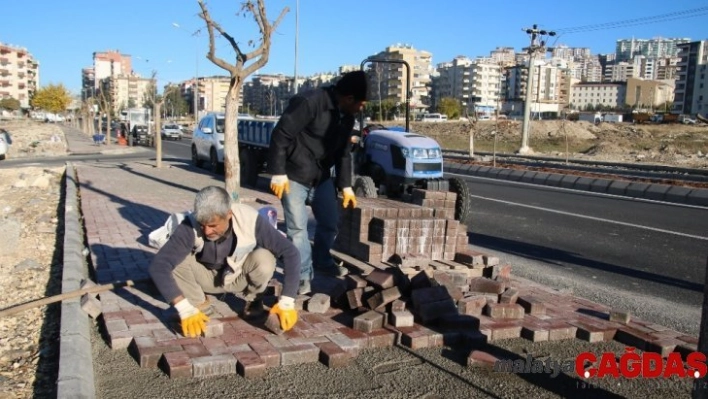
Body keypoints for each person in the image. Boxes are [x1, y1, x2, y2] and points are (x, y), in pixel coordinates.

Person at [148, 186, 301, 338]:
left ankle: (253, 302)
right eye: (203, 225)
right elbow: (159, 266)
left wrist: (287, 301)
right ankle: (199, 306)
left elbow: (290, 252)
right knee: (178, 261)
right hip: (206, 279)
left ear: (228, 214)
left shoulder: (249, 218)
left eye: (213, 225)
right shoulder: (189, 225)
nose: (207, 231)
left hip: (239, 277)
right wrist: (183, 307)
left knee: (265, 258)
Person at [266, 70, 368, 295]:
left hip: (321, 178)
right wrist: (278, 172)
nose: (362, 108)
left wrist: (346, 185)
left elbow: (343, 153)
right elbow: (281, 134)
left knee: (330, 222)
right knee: (297, 229)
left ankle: (322, 260)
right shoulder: (310, 102)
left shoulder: (347, 116)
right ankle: (301, 276)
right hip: (293, 176)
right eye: (361, 103)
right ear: (349, 98)